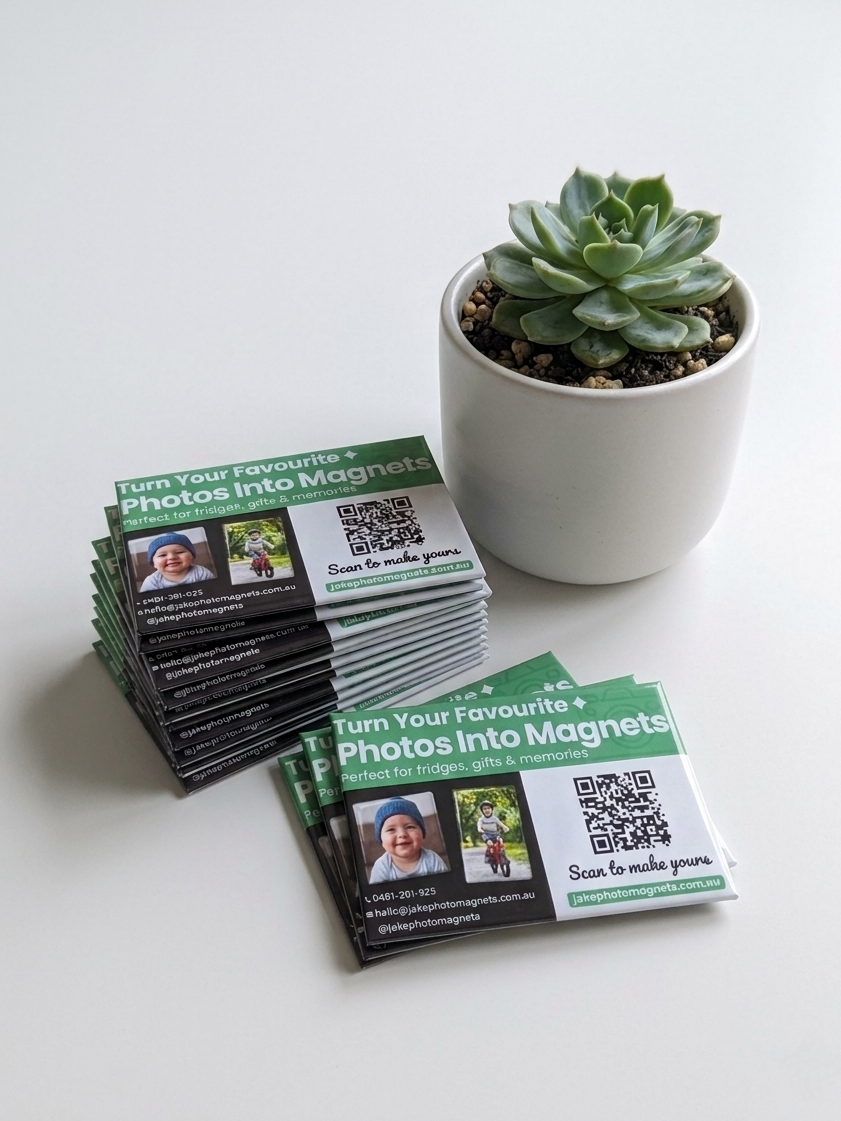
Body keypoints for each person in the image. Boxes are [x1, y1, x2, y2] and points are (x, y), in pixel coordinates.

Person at [368, 797, 448, 883]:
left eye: (410, 827)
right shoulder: (381, 866)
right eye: (391, 829)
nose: (402, 834)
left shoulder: (432, 860)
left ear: (422, 833)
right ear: (381, 840)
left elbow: (445, 886)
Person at [139, 533, 215, 592]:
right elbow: (147, 604)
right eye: (162, 555)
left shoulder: (201, 573)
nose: (172, 557)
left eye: (179, 552)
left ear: (192, 556)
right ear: (154, 563)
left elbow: (214, 592)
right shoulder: (152, 581)